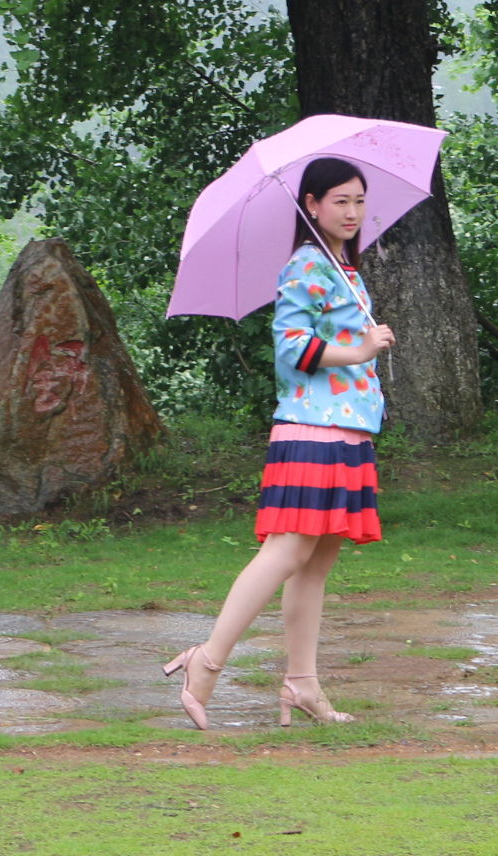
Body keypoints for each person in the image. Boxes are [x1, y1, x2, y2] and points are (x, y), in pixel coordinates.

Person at [165, 156, 395, 728]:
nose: (352, 212)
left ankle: (302, 684)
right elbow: (292, 348)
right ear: (311, 204)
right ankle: (206, 661)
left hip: (348, 431)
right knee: (287, 552)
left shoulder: (343, 269)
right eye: (340, 201)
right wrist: (361, 350)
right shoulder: (307, 265)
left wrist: (362, 346)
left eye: (359, 201)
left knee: (315, 566)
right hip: (313, 430)